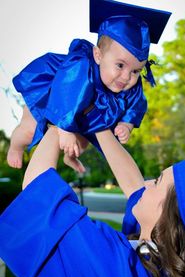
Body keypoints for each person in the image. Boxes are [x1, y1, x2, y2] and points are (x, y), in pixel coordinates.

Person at [0, 126, 185, 277]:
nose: (146, 182)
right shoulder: (163, 270)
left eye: (157, 181)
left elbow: (38, 189)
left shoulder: (117, 271)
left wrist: (57, 122)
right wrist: (98, 122)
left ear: (169, 221)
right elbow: (134, 184)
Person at [6, 0, 171, 173]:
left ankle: (70, 155)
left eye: (136, 71)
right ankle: (15, 146)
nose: (127, 77)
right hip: (51, 96)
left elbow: (137, 105)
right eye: (120, 65)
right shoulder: (82, 68)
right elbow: (67, 92)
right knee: (28, 131)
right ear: (98, 55)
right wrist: (64, 129)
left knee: (83, 140)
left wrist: (126, 125)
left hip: (81, 113)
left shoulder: (131, 85)